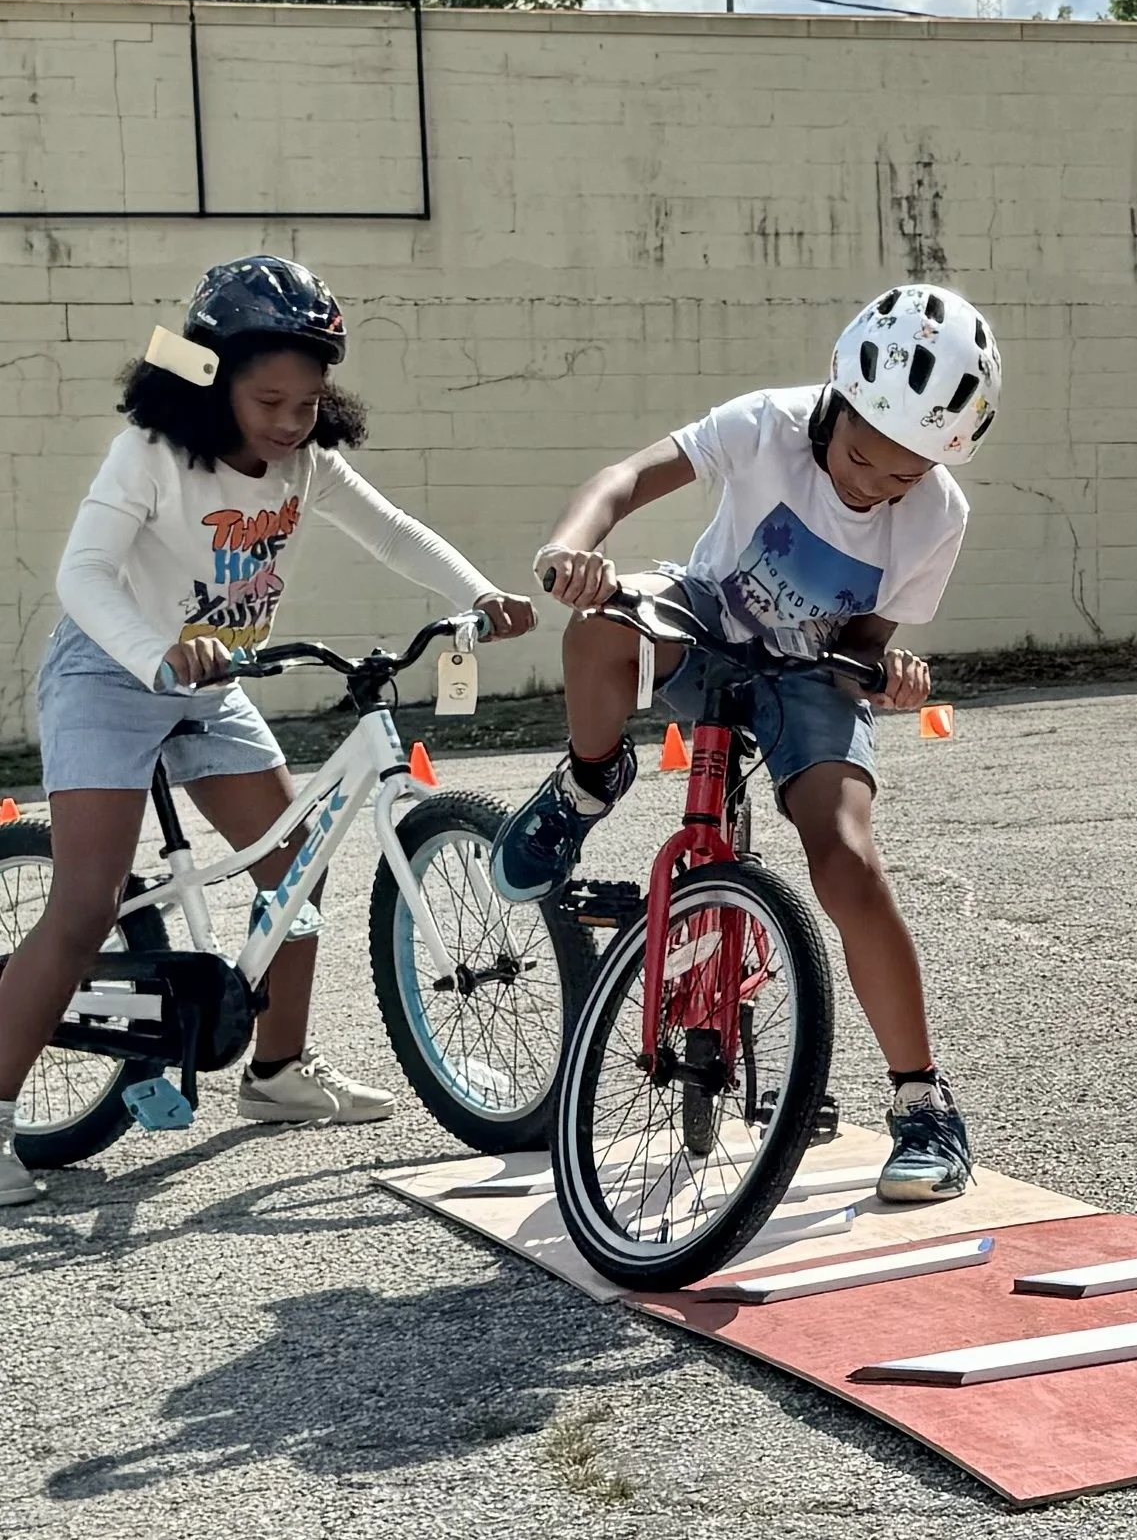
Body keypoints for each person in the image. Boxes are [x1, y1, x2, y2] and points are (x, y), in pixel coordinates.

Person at [0, 255, 535, 1207]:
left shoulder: (304, 461)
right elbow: (82, 575)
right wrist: (155, 653)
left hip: (214, 678)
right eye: (270, 401)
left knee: (296, 867)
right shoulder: (152, 454)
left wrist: (479, 594)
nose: (291, 422)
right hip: (112, 672)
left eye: (308, 402)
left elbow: (395, 532)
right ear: (210, 381)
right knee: (86, 905)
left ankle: (276, 1074)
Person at [489, 282, 1001, 1202]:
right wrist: (572, 551)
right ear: (835, 402)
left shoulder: (940, 517)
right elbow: (624, 480)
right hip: (709, 621)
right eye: (860, 459)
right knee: (605, 624)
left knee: (846, 861)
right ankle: (586, 783)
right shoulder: (765, 423)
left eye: (903, 478)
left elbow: (864, 643)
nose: (873, 487)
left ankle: (924, 1105)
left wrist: (892, 675)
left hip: (810, 676)